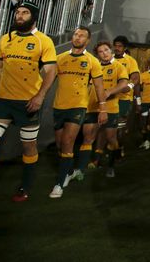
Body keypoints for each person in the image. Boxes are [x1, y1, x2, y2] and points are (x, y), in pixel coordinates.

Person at [0, 1, 57, 207]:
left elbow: (51, 71)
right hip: (2, 101)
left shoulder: (43, 41)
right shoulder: (6, 39)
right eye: (18, 12)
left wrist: (40, 96)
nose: (19, 16)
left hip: (27, 103)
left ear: (34, 17)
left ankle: (25, 186)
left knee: (29, 147)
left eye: (25, 12)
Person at [49, 26, 106, 198]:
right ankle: (68, 171)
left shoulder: (92, 61)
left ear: (87, 41)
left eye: (82, 36)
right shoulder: (60, 58)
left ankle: (58, 185)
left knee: (67, 141)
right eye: (75, 34)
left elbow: (99, 86)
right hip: (59, 106)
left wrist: (103, 108)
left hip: (78, 106)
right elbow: (48, 80)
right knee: (60, 144)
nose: (77, 37)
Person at [84, 40, 129, 179]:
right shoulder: (94, 67)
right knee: (89, 137)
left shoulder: (118, 66)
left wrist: (109, 91)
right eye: (101, 52)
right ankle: (81, 167)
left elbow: (124, 83)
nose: (104, 53)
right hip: (92, 107)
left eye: (106, 50)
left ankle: (111, 165)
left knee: (111, 138)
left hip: (110, 108)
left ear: (111, 51)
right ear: (97, 55)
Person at [113, 35, 140, 157]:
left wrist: (128, 87)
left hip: (124, 99)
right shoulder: (109, 59)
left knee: (119, 127)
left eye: (120, 46)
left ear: (124, 48)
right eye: (116, 46)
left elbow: (135, 78)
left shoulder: (130, 61)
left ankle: (119, 149)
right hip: (109, 98)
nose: (117, 48)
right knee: (106, 127)